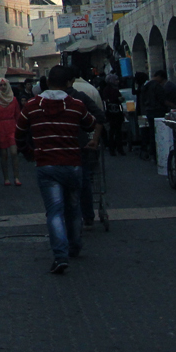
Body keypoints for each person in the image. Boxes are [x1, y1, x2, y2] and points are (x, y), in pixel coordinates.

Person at [17, 65, 100, 274]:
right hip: (72, 163)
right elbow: (91, 124)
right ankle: (74, 244)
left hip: (46, 164)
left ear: (46, 82)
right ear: (68, 83)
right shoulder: (76, 105)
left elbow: (19, 132)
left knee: (54, 211)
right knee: (73, 208)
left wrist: (29, 151)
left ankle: (60, 255)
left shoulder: (32, 106)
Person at [68, 69, 107, 231]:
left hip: (61, 147)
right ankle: (88, 215)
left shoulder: (48, 99)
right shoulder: (87, 92)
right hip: (82, 142)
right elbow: (100, 115)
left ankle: (69, 216)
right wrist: (95, 138)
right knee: (84, 181)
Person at [0, 78, 21, 185]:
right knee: (3, 154)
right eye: (0, 85)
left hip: (12, 126)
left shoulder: (14, 99)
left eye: (4, 85)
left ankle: (16, 177)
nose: (3, 87)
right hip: (0, 127)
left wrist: (19, 129)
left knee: (14, 152)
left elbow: (18, 115)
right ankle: (6, 178)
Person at [102, 74, 127, 156]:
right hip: (114, 112)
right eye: (116, 80)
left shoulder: (107, 89)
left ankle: (113, 149)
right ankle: (117, 148)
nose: (117, 81)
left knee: (113, 131)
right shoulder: (112, 90)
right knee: (116, 131)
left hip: (111, 112)